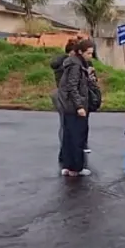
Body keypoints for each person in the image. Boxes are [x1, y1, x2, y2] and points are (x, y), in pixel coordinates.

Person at [57, 38, 94, 177]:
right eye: (89, 53)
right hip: (75, 107)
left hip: (68, 106)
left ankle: (68, 166)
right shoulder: (76, 66)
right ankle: (76, 168)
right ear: (80, 52)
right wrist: (79, 106)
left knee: (68, 136)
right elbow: (72, 87)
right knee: (77, 137)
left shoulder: (74, 64)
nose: (90, 56)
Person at [51, 39, 76, 167]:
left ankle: (64, 151)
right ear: (71, 52)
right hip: (65, 96)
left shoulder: (59, 62)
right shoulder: (68, 64)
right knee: (67, 125)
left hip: (58, 94)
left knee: (63, 124)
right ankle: (66, 152)